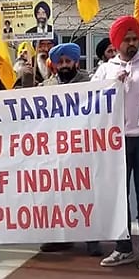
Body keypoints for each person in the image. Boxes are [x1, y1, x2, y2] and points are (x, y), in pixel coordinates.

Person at [92, 16, 139, 270]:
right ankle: (123, 247)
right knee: (120, 197)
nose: (132, 43)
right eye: (126, 40)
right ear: (116, 42)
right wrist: (110, 84)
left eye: (135, 39)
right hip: (117, 141)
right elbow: (91, 100)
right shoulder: (106, 69)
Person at [38, 43, 101, 255]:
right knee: (57, 195)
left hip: (84, 148)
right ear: (54, 65)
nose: (64, 65)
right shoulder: (46, 86)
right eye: (60, 62)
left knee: (86, 194)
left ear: (76, 62)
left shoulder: (91, 81)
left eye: (68, 61)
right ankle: (60, 238)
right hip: (56, 150)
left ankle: (92, 240)